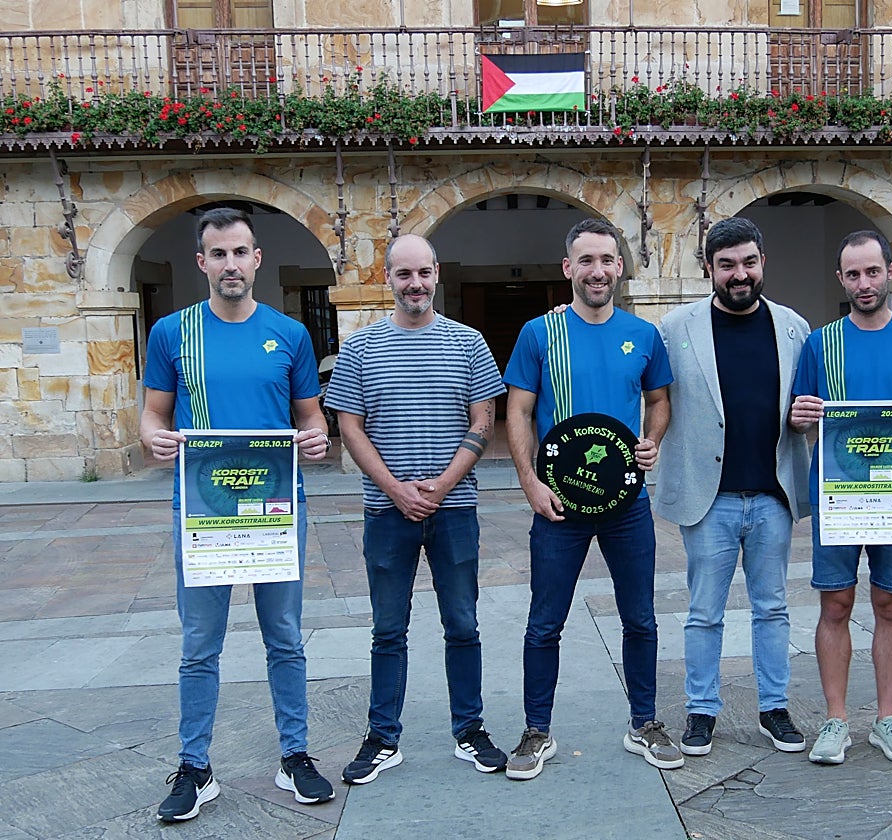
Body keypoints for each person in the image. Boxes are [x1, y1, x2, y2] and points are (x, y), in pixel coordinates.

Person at [140, 206, 335, 822]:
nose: (231, 264)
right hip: (203, 509)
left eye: (240, 252)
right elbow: (152, 414)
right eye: (218, 254)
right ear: (202, 262)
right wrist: (154, 437)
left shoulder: (290, 334)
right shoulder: (173, 333)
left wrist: (317, 438)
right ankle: (194, 767)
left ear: (257, 259)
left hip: (275, 507)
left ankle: (295, 754)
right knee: (200, 644)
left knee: (285, 637)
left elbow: (311, 417)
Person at [323, 234, 508, 783]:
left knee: (463, 624)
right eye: (404, 274)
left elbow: (483, 421)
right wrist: (395, 488)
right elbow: (348, 427)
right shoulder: (359, 348)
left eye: (424, 273)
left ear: (436, 274)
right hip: (385, 512)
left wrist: (442, 486)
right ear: (388, 278)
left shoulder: (469, 342)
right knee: (387, 629)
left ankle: (469, 730)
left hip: (454, 510)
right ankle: (383, 737)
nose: (415, 284)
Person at [502, 217, 681, 780]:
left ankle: (644, 723)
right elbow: (520, 411)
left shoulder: (643, 335)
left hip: (627, 504)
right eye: (586, 261)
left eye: (606, 260)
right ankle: (536, 732)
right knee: (544, 623)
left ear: (620, 267)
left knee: (642, 620)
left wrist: (652, 441)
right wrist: (530, 482)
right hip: (559, 505)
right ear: (568, 268)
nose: (597, 271)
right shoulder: (538, 334)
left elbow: (658, 401)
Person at [790, 230, 892, 765]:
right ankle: (835, 721)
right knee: (835, 603)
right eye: (853, 274)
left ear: (890, 272)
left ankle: (887, 718)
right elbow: (798, 414)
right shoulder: (821, 342)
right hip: (839, 492)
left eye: (873, 272)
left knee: (890, 602)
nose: (864, 283)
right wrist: (800, 416)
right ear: (841, 279)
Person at [656, 217, 812, 757]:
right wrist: (568, 317)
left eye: (748, 262)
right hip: (709, 496)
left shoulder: (795, 328)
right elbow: (636, 371)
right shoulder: (674, 330)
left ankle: (775, 707)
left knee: (773, 608)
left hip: (773, 494)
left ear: (762, 262)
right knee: (704, 612)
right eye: (726, 265)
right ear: (709, 269)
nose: (738, 274)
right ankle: (701, 712)